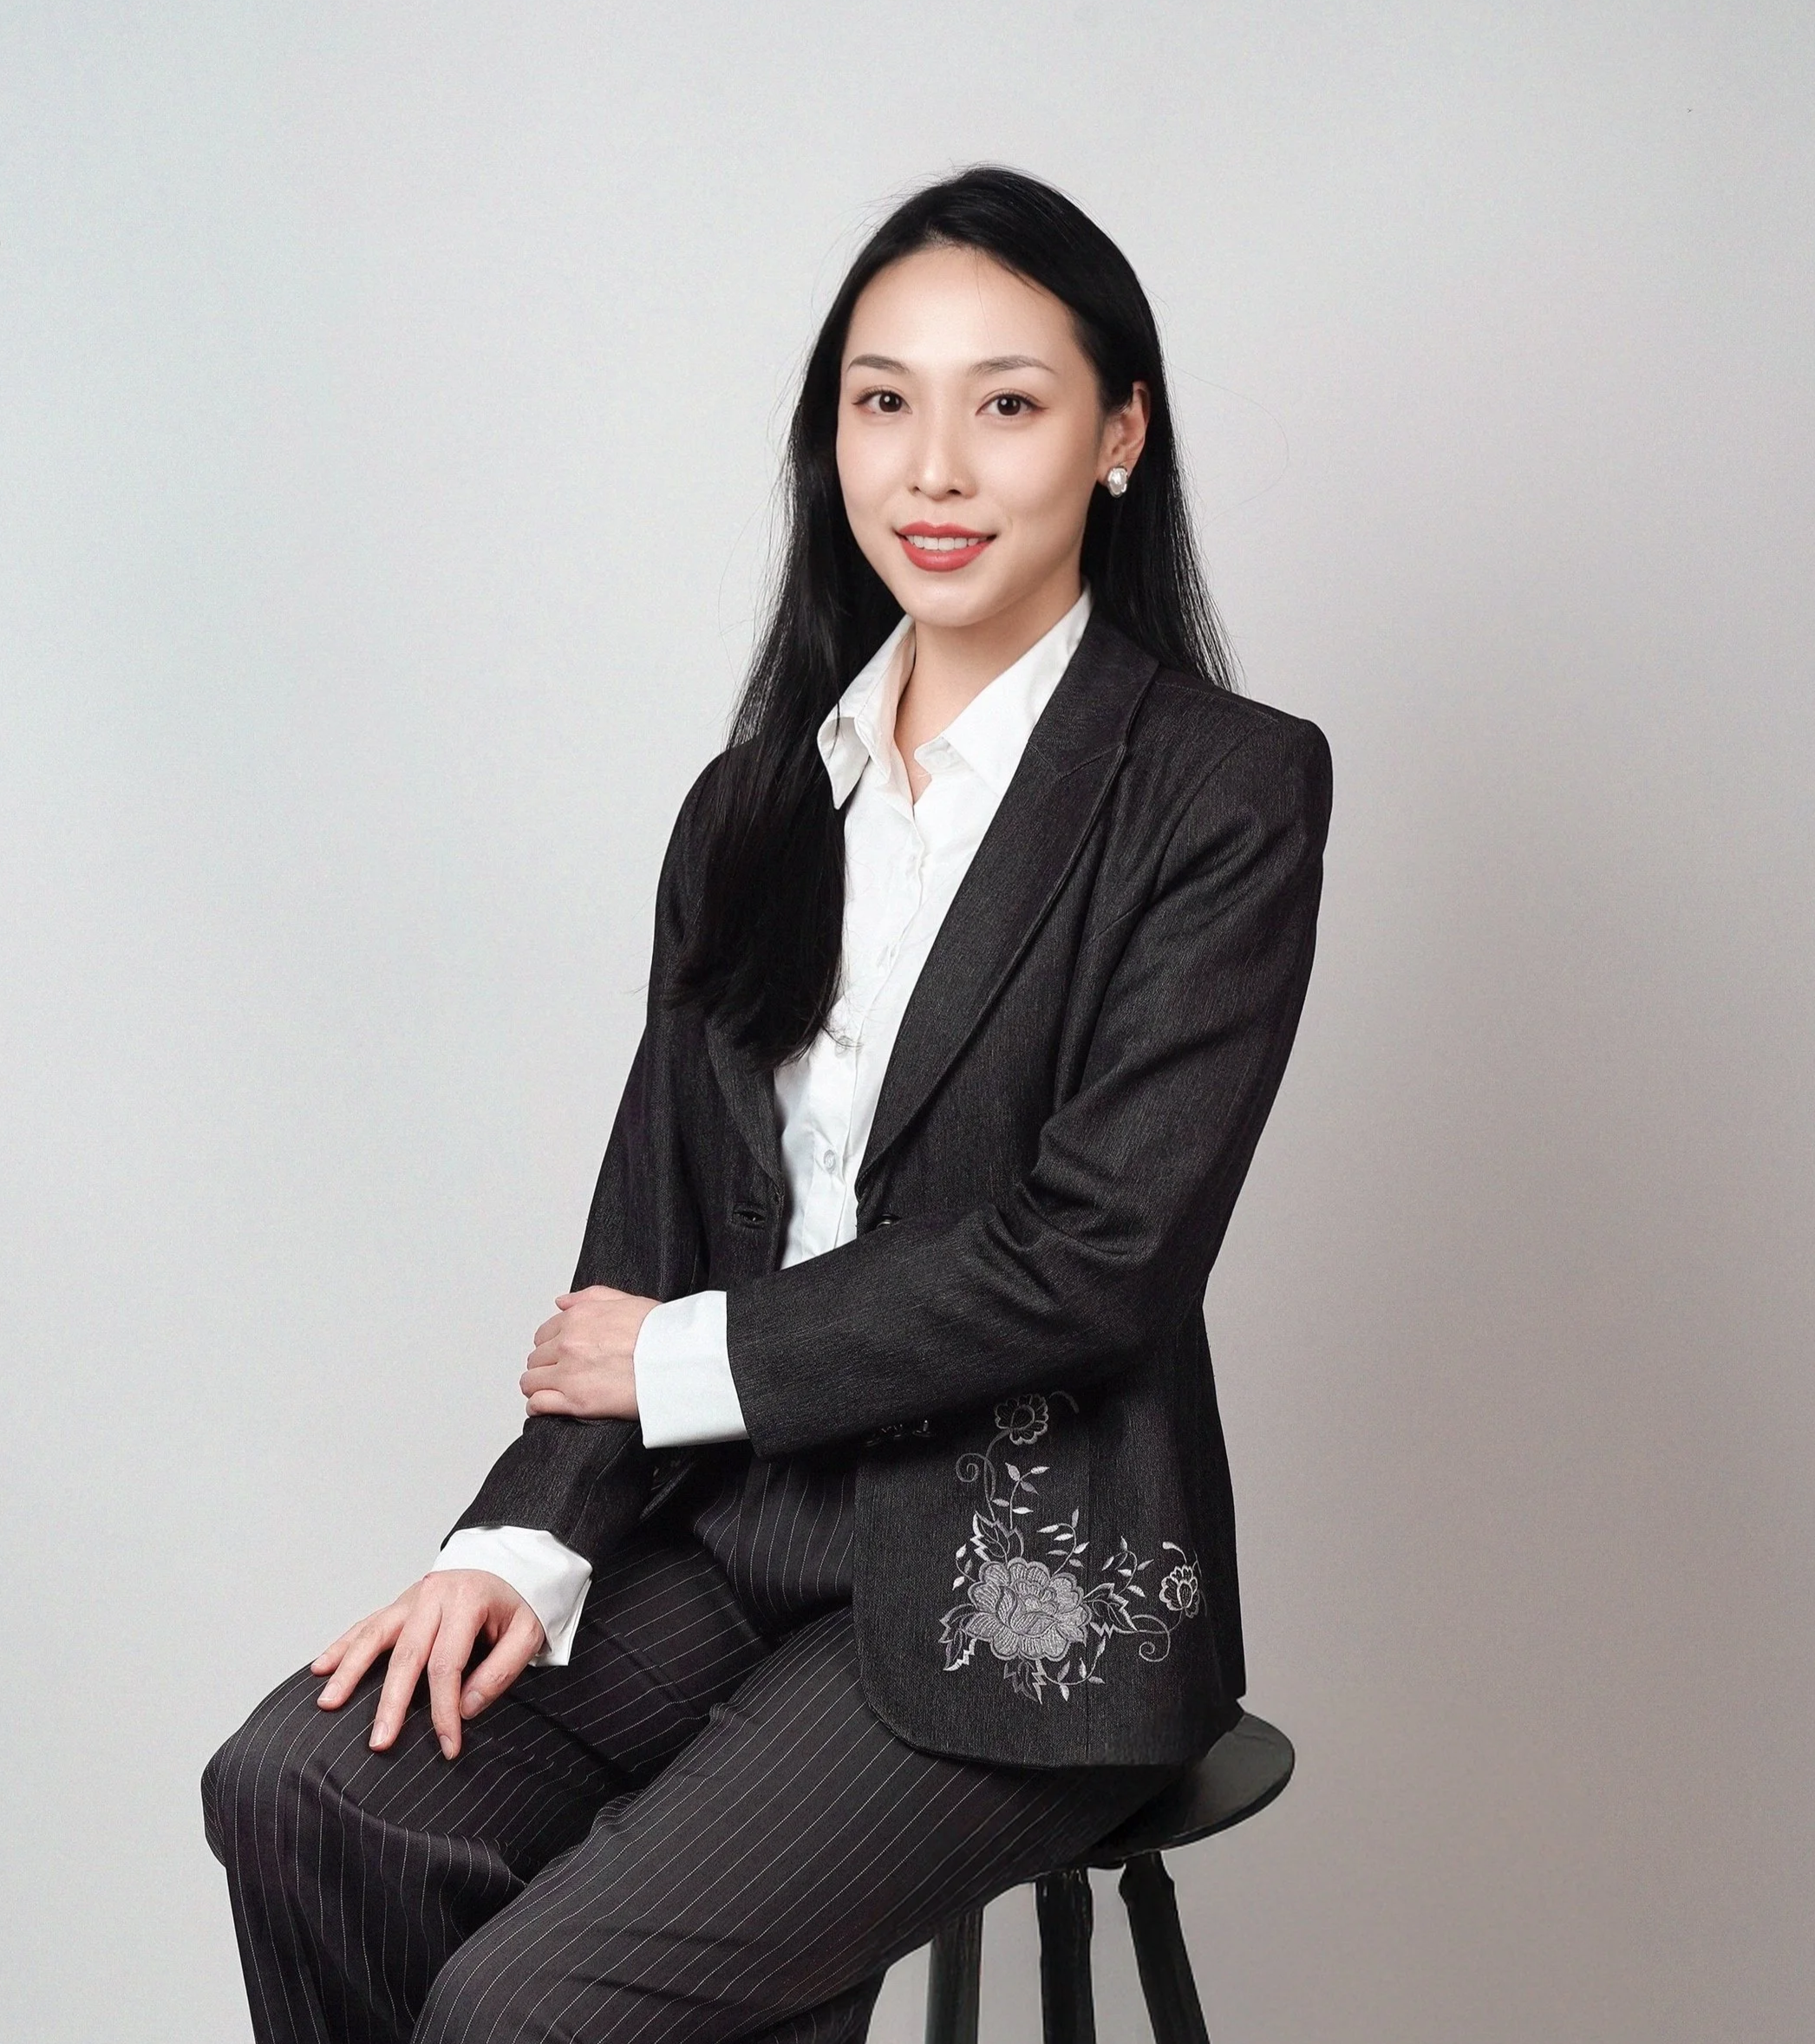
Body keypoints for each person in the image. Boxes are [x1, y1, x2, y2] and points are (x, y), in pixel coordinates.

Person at [202, 163, 1332, 2044]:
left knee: (532, 2006)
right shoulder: (748, 807)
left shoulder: (1220, 790)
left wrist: (684, 1360)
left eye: (1007, 402)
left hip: (1020, 1577)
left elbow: (1097, 1257)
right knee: (304, 1793)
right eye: (884, 401)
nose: (933, 468)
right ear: (833, 436)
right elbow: (643, 1235)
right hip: (727, 1533)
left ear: (1119, 433)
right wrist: (519, 1546)